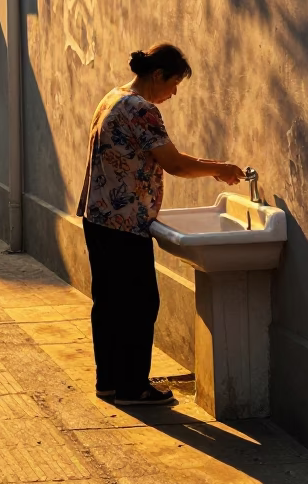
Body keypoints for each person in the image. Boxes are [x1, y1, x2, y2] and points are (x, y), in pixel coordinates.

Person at [77, 43, 245, 405]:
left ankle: (108, 381)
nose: (174, 93)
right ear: (158, 76)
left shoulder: (113, 97)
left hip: (99, 216)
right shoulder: (141, 108)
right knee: (140, 304)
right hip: (124, 222)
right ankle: (132, 387)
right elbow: (175, 164)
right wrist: (221, 168)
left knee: (108, 303)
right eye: (173, 84)